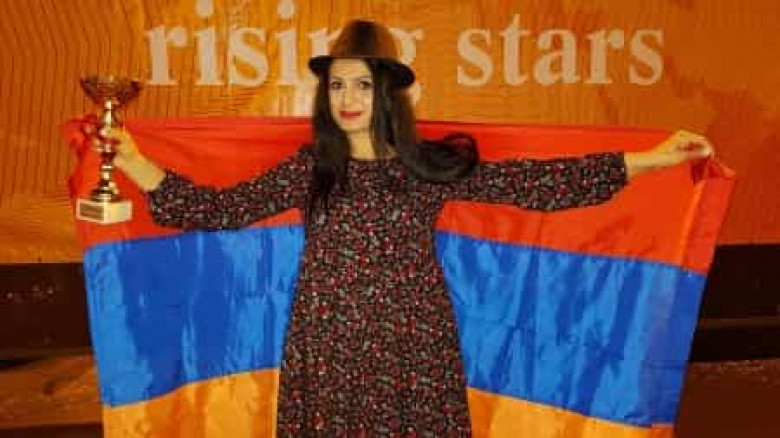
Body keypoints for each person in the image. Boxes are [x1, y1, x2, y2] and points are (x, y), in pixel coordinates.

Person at [84, 19, 713, 437]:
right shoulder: (311, 167)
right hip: (328, 344)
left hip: (413, 346)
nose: (348, 98)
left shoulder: (426, 167)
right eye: (337, 85)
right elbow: (221, 209)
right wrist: (132, 161)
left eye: (362, 84)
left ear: (387, 92)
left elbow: (534, 184)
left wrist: (650, 159)